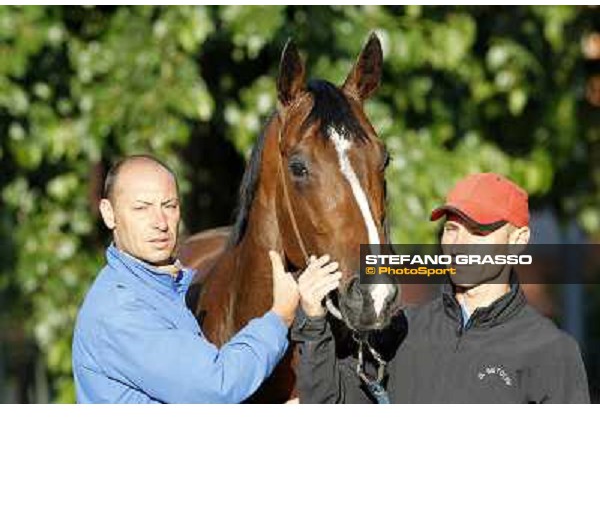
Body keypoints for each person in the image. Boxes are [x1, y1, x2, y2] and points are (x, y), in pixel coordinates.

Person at [293, 172, 590, 403]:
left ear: (517, 241)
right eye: (452, 229)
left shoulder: (551, 350)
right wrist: (313, 320)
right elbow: (329, 404)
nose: (459, 245)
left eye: (478, 231)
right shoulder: (401, 329)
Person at [72, 154, 341, 403]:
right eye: (141, 208)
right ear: (109, 213)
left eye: (169, 205)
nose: (161, 222)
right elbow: (216, 385)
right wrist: (280, 315)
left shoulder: (158, 289)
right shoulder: (120, 311)